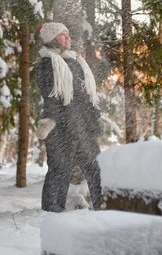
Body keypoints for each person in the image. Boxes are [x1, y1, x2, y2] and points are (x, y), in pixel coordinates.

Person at [36, 22, 102, 212]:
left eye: (67, 34)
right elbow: (51, 95)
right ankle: (50, 212)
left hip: (81, 126)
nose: (68, 37)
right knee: (59, 171)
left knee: (96, 169)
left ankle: (103, 208)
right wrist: (53, 120)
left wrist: (93, 119)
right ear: (53, 39)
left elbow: (84, 96)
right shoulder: (47, 64)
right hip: (60, 127)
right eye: (63, 35)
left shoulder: (74, 62)